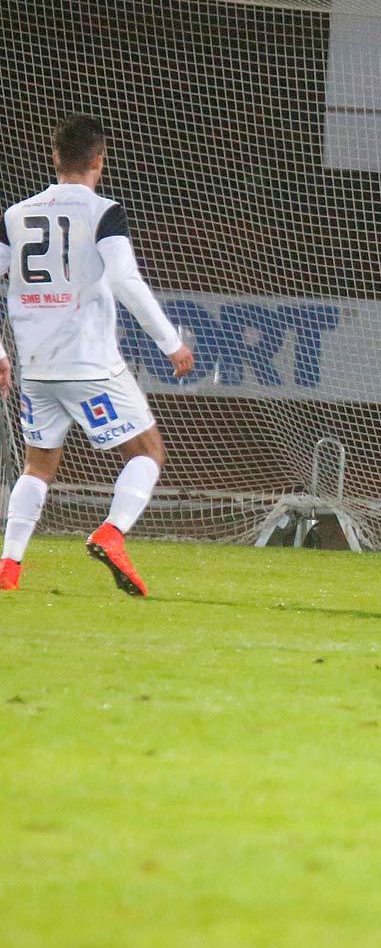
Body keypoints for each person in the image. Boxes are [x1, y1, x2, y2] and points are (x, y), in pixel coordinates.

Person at [0, 114, 195, 595]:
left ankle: (8, 567)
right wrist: (171, 342)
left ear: (55, 157)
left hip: (37, 367)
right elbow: (126, 280)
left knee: (38, 466)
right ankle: (111, 533)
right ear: (98, 161)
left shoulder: (15, 215)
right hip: (89, 363)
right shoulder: (103, 212)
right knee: (148, 451)